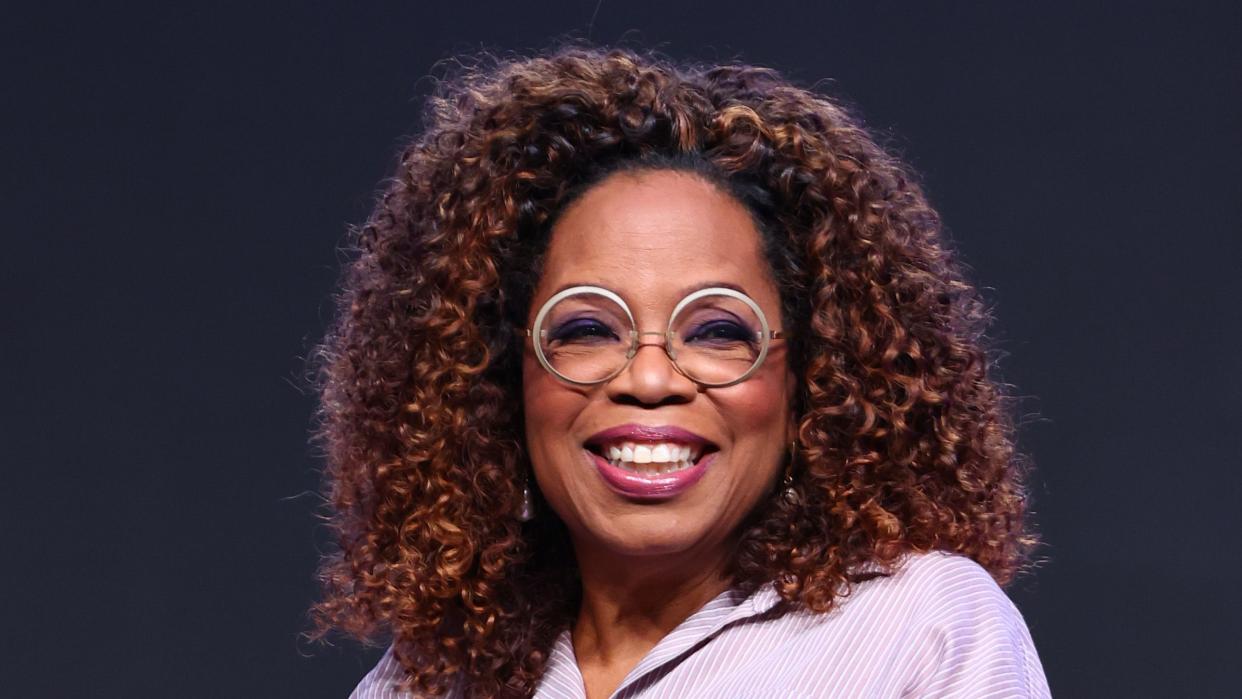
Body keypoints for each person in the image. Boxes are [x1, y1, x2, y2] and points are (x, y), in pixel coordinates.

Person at [307, 45, 1050, 698]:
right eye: (588, 328)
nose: (652, 379)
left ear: (812, 379)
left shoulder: (920, 627)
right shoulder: (427, 679)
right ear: (502, 376)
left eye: (720, 331)